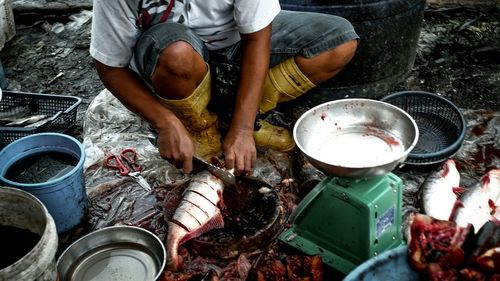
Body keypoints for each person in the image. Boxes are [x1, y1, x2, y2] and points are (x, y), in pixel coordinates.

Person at [90, 0, 358, 176]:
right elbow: (109, 66)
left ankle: (239, 119)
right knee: (177, 56)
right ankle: (202, 131)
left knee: (338, 41)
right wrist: (165, 123)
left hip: (237, 46)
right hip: (173, 61)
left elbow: (257, 39)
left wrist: (242, 128)